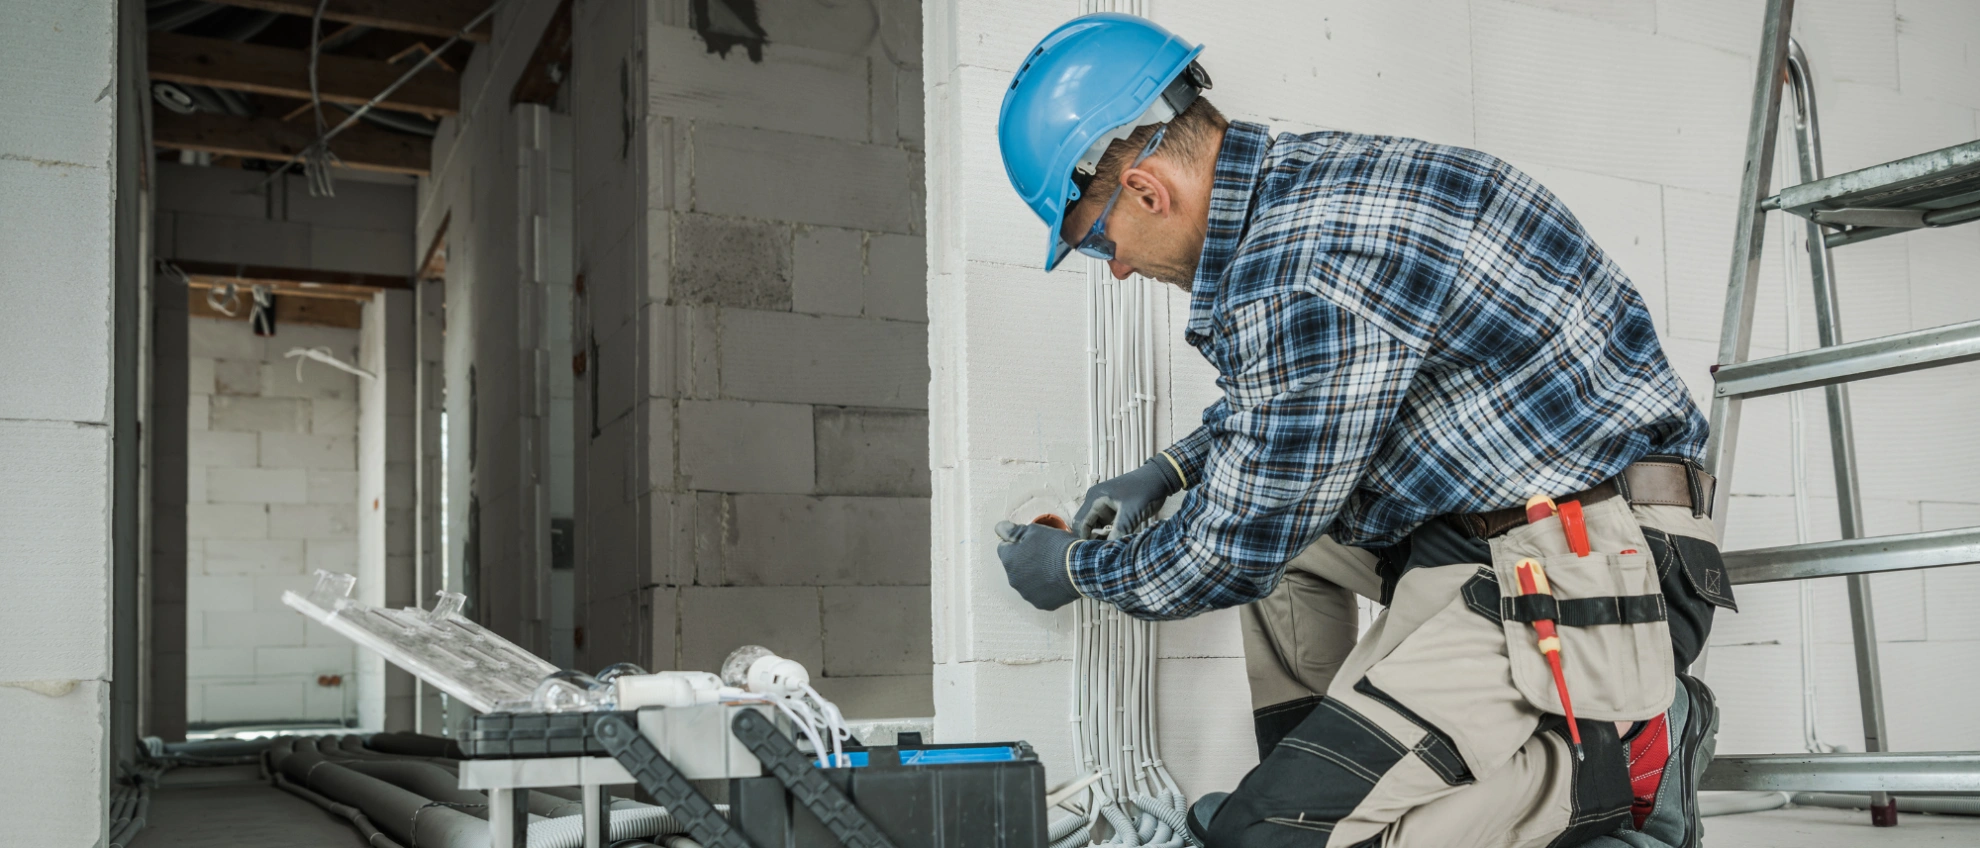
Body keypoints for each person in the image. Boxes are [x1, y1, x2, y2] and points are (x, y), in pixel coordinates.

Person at [990, 14, 1738, 848]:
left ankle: (1627, 764)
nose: (1119, 266)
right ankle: (1315, 779)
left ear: (1143, 190)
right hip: (1502, 529)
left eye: (1098, 244)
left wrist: (1078, 570)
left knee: (1266, 836)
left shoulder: (1297, 270)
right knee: (1289, 546)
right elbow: (1290, 414)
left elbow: (1232, 550)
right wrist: (1169, 470)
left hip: (1597, 559)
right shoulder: (1301, 185)